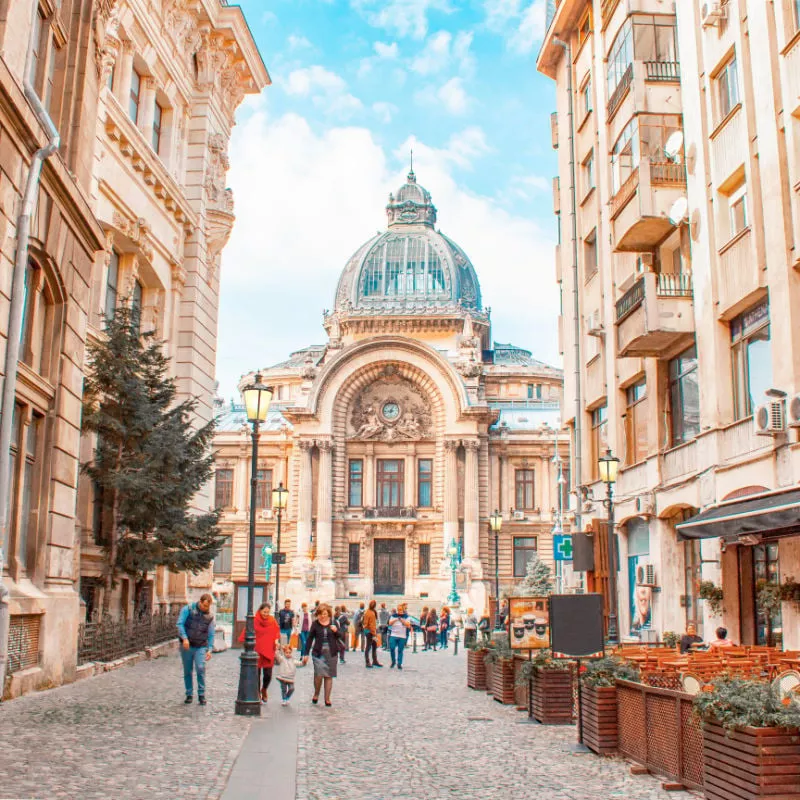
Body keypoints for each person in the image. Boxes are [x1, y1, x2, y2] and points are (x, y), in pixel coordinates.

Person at [176, 593, 215, 705]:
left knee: (200, 667)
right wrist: (184, 638)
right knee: (187, 670)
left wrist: (210, 649)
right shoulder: (188, 609)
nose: (204, 608)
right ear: (200, 602)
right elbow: (180, 624)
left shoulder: (210, 617)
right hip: (187, 645)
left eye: (207, 607)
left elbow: (211, 633)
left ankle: (201, 694)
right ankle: (189, 694)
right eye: (203, 606)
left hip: (201, 645)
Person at [302, 603, 344, 707]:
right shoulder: (315, 624)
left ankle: (327, 698)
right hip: (318, 652)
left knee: (329, 675)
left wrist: (336, 631)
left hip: (331, 652)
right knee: (319, 674)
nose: (323, 616)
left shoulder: (334, 623)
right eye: (321, 614)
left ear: (328, 614)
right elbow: (310, 638)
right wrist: (306, 653)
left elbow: (341, 636)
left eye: (325, 614)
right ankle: (316, 693)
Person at [237, 601, 280, 703]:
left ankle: (264, 689)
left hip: (268, 650)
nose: (265, 614)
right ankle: (257, 694)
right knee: (257, 674)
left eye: (267, 612)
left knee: (268, 675)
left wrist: (276, 641)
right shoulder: (255, 620)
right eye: (264, 612)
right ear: (260, 611)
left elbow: (276, 632)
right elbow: (247, 631)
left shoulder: (272, 620)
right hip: (257, 651)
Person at [388, 603, 412, 669]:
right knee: (392, 648)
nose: (399, 611)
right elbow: (389, 623)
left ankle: (399, 663)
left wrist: (401, 620)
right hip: (393, 634)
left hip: (402, 636)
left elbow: (408, 625)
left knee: (400, 650)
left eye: (401, 609)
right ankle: (393, 661)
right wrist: (396, 619)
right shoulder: (393, 616)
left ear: (403, 609)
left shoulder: (406, 616)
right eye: (398, 609)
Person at [363, 600, 383, 668]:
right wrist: (374, 634)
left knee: (373, 646)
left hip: (368, 630)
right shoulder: (371, 613)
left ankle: (374, 661)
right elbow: (371, 624)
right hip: (370, 632)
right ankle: (368, 662)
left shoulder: (368, 611)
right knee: (369, 647)